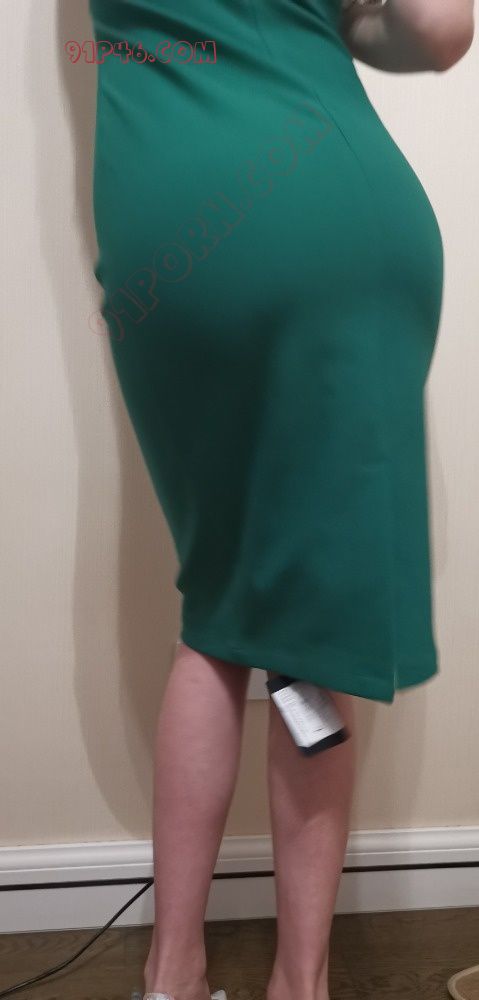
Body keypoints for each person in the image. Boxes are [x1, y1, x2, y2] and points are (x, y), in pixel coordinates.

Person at [88, 1, 474, 998]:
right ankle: (299, 987)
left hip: (161, 227)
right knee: (312, 637)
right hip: (326, 209)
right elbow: (438, 30)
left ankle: (172, 977)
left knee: (216, 609)